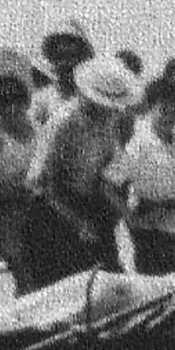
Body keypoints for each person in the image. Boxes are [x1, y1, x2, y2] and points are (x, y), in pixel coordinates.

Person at [24, 57, 140, 286]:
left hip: (90, 202)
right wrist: (78, 223)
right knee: (66, 283)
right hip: (53, 209)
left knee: (109, 277)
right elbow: (47, 184)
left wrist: (120, 212)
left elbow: (107, 171)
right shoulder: (63, 122)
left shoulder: (110, 121)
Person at [105, 71, 175, 274]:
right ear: (152, 108)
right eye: (164, 110)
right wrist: (130, 217)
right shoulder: (138, 144)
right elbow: (109, 184)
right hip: (151, 233)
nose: (169, 116)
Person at [0, 74, 36, 294]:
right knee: (24, 276)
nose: (12, 109)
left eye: (17, 102)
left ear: (25, 103)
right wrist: (14, 192)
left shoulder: (36, 130)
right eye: (4, 104)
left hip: (38, 208)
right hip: (7, 215)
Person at [29, 32, 94, 127]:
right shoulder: (42, 99)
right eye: (60, 57)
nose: (66, 63)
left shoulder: (91, 97)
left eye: (72, 56)